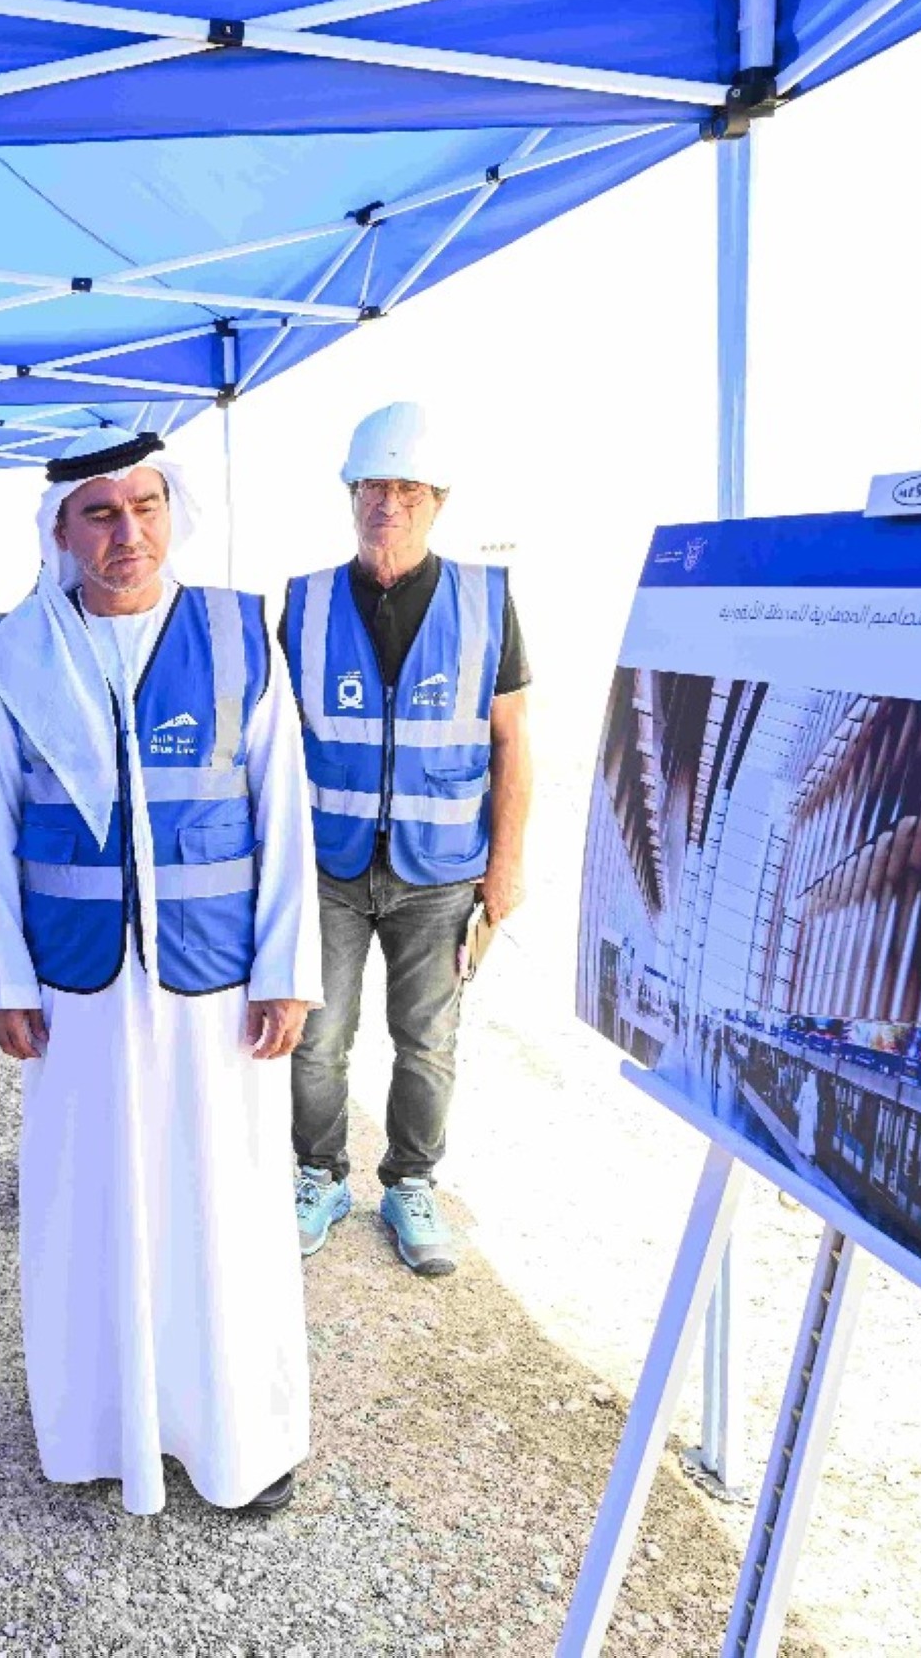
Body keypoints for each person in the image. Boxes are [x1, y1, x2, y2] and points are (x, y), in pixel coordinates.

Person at [0, 427, 320, 1517]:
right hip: (77, 991)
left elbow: (283, 809)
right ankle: (97, 1430)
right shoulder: (16, 648)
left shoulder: (234, 629)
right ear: (60, 531)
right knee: (85, 1206)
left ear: (175, 512)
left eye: (146, 506)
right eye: (100, 513)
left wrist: (287, 967)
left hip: (215, 987)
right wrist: (5, 978)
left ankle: (233, 1438)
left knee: (225, 1207)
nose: (127, 533)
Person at [283, 402, 534, 1277]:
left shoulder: (487, 599)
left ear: (438, 502)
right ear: (351, 494)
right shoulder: (305, 603)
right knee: (317, 1036)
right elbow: (274, 743)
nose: (389, 502)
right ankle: (316, 1174)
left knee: (427, 1040)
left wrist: (504, 869)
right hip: (332, 864)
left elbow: (512, 743)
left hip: (441, 875)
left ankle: (410, 1182)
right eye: (374, 486)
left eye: (408, 488)